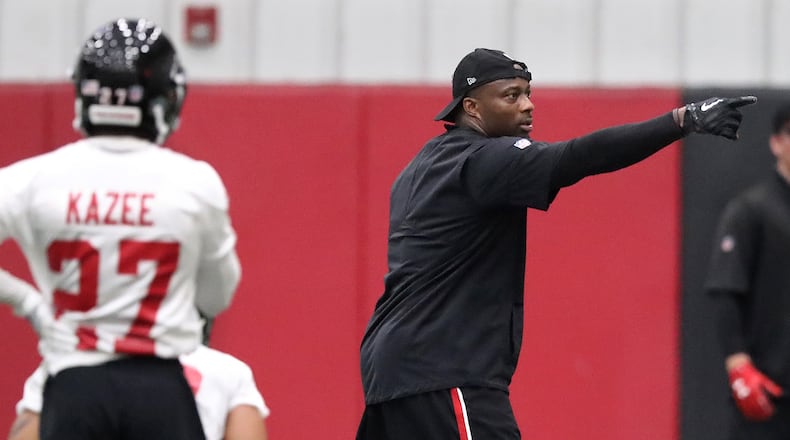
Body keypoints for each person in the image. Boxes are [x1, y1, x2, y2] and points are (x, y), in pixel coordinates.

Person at [355, 47, 757, 440]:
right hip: (444, 371)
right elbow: (579, 156)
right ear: (472, 108)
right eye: (511, 95)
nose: (527, 106)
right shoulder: (484, 160)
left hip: (389, 373)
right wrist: (682, 119)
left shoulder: (421, 165)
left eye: (528, 93)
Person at [0, 18, 240, 440]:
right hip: (160, 389)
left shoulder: (32, 179)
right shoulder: (194, 181)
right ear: (164, 99)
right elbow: (217, 295)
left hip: (74, 386)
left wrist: (30, 304)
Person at [705, 103, 790, 439]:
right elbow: (726, 290)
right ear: (776, 142)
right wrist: (738, 365)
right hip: (770, 390)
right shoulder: (752, 211)